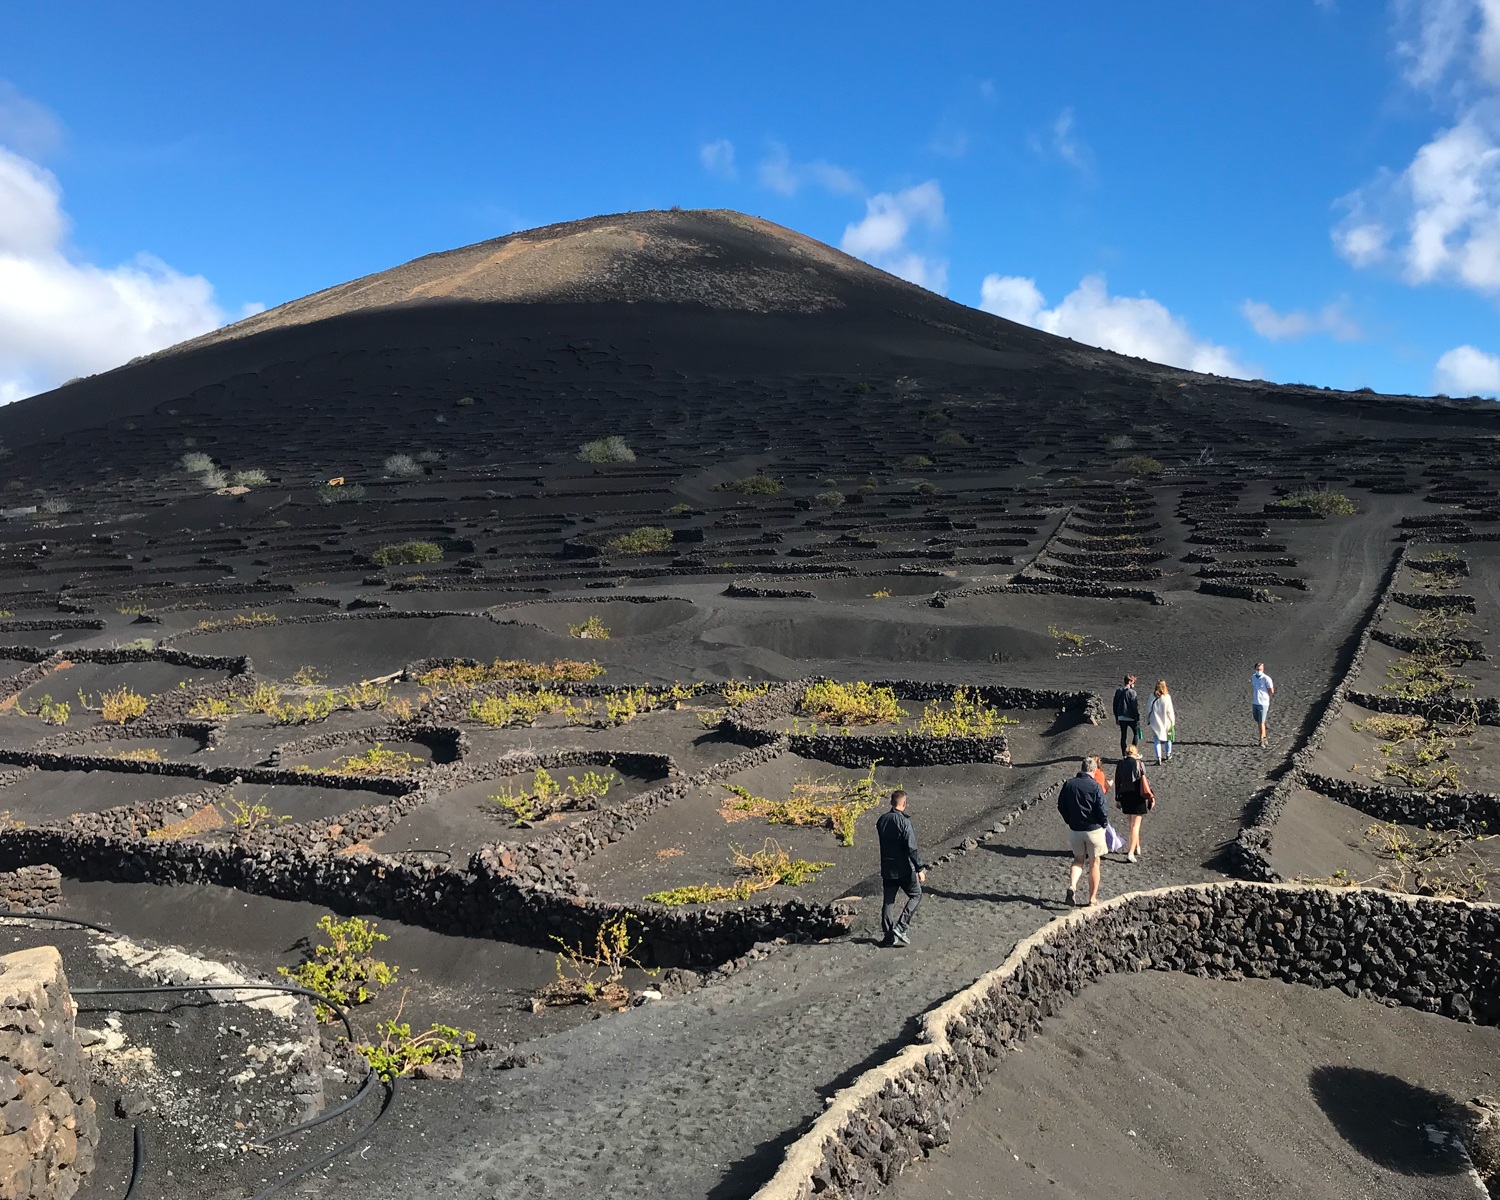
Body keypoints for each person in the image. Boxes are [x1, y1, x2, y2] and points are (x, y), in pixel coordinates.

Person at [876, 789, 926, 947]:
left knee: (888, 902)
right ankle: (901, 926)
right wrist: (920, 868)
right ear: (904, 803)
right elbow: (912, 848)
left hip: (887, 868)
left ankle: (888, 935)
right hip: (903, 868)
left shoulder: (882, 820)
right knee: (916, 895)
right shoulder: (904, 822)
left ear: (892, 802)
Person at [1057, 760, 1108, 906]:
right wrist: (1104, 823)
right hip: (1093, 829)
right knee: (1094, 863)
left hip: (1076, 829)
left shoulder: (1069, 784)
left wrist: (1069, 820)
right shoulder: (1095, 786)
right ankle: (1092, 899)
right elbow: (1102, 809)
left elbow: (1061, 805)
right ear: (1093, 771)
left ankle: (1072, 886)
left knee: (1078, 860)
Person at [1113, 744, 1155, 862]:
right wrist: (1151, 795)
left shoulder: (1120, 764)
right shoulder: (1139, 763)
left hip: (1125, 795)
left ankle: (1137, 846)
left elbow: (1118, 782)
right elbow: (1145, 780)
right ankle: (1131, 853)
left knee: (1131, 824)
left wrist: (1117, 798)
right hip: (1137, 794)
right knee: (1135, 826)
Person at [1146, 679, 1176, 765]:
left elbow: (1148, 709)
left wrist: (1147, 719)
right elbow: (1170, 711)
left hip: (1155, 721)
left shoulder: (1152, 696)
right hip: (1166, 721)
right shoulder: (1167, 697)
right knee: (1168, 738)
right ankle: (1168, 753)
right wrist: (1172, 722)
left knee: (1156, 740)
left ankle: (1158, 757)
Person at [1112, 675, 1140, 756]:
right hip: (1131, 717)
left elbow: (1115, 705)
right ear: (1130, 682)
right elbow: (1134, 706)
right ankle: (1133, 752)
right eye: (1134, 682)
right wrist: (1137, 717)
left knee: (1123, 736)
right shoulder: (1132, 692)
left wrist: (1116, 717)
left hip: (1121, 716)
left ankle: (1124, 754)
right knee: (1135, 733)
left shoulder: (1118, 691)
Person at [1251, 662, 1275, 748]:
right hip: (1255, 702)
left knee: (1261, 722)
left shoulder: (1266, 679)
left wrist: (1265, 697)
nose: (1259, 671)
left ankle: (1261, 739)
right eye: (1258, 669)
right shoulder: (1253, 677)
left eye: (1260, 669)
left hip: (1263, 703)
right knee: (1259, 721)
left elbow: (1271, 691)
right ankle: (1264, 736)